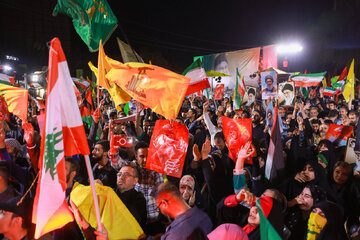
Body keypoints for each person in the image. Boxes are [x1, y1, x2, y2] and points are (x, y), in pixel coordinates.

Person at [115, 162, 147, 229]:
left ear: (135, 181)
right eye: (119, 174)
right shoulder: (110, 193)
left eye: (126, 175)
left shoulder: (139, 199)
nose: (121, 177)